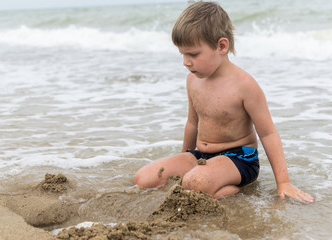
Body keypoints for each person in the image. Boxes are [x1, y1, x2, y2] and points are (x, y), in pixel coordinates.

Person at [133, 1, 314, 203]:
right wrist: (185, 158)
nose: (185, 62)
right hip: (201, 155)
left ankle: (240, 188)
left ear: (221, 46)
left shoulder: (244, 85)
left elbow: (268, 133)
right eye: (182, 54)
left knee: (194, 184)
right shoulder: (193, 79)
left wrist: (283, 182)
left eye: (193, 54)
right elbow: (193, 123)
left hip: (239, 159)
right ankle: (209, 183)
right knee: (144, 178)